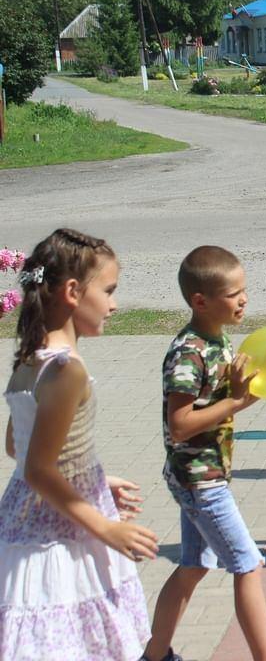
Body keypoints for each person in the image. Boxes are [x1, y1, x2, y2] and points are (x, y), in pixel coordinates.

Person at [0, 229, 155, 661]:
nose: (115, 304)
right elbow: (37, 467)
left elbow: (20, 445)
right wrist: (106, 527)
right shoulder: (67, 370)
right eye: (108, 290)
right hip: (60, 538)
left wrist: (97, 478)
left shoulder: (30, 359)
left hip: (23, 525)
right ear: (72, 291)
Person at [142, 246, 266, 661]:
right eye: (233, 293)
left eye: (244, 290)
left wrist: (253, 390)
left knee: (194, 565)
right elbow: (181, 423)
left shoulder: (216, 338)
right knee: (248, 564)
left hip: (204, 475)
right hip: (199, 479)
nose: (243, 300)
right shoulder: (189, 353)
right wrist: (237, 402)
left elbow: (224, 401)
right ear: (200, 301)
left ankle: (154, 656)